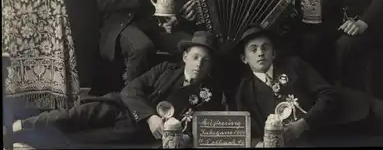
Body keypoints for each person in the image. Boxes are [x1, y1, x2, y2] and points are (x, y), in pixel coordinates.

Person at [234, 25, 383, 147]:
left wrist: (303, 124)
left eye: (265, 47)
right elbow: (250, 133)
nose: (260, 53)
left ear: (274, 52)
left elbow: (328, 93)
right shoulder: (246, 91)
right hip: (325, 138)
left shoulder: (294, 65)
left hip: (353, 110)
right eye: (253, 50)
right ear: (245, 59)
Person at [11, 31, 226, 147]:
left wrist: (183, 136)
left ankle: (27, 142)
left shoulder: (210, 94)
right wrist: (150, 116)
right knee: (70, 116)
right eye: (196, 57)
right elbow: (131, 90)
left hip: (134, 131)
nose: (199, 64)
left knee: (82, 140)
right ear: (185, 57)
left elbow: (198, 129)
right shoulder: (166, 69)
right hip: (119, 106)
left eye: (206, 61)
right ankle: (19, 126)